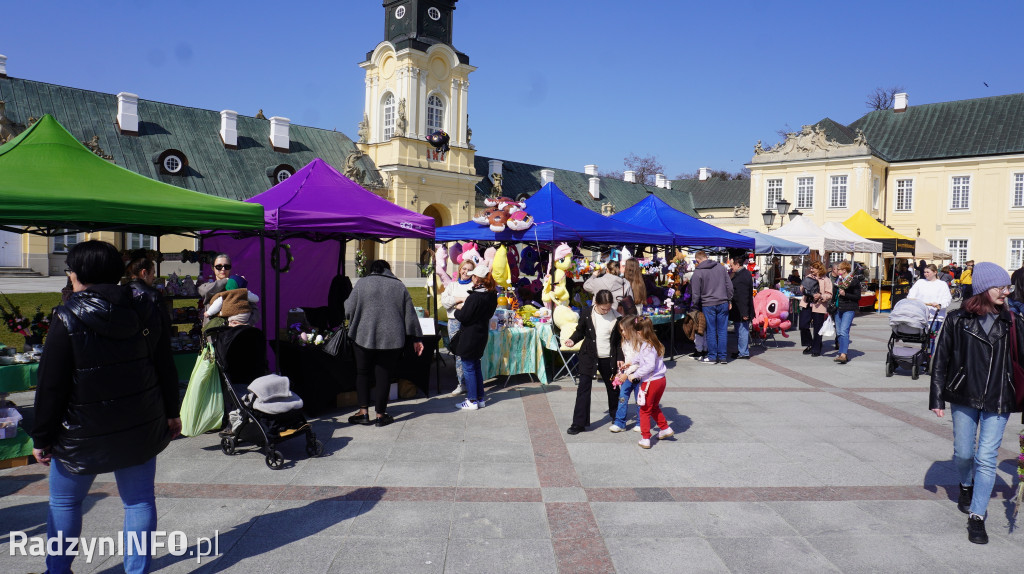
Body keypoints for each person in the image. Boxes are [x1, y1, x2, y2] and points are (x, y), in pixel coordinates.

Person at [31, 240, 180, 574]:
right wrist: (172, 411)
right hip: (139, 422)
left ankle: (58, 570)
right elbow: (164, 365)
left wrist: (41, 436)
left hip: (81, 430)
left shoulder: (66, 315)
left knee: (65, 502)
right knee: (139, 501)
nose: (68, 275)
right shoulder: (146, 305)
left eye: (70, 269)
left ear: (80, 273)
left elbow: (50, 385)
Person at [930, 262, 1024, 544]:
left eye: (1008, 287)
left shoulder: (1014, 322)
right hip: (964, 394)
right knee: (963, 453)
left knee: (985, 458)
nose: (1006, 292)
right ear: (984, 288)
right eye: (1000, 287)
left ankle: (977, 517)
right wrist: (937, 398)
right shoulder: (957, 319)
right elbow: (940, 361)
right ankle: (966, 484)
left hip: (999, 398)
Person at [345, 259, 424, 426]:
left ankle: (363, 412)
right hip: (392, 339)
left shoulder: (362, 283)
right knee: (384, 375)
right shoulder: (399, 286)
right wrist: (416, 337)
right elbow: (410, 314)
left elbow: (348, 308)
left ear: (372, 269)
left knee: (362, 373)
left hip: (362, 336)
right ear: (389, 270)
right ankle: (381, 415)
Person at [564, 289, 622, 434]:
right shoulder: (586, 313)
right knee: (583, 388)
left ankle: (617, 416)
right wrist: (572, 339)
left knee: (613, 387)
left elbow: (620, 341)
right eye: (604, 308)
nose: (606, 311)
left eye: (609, 308)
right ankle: (578, 423)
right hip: (588, 355)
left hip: (609, 357)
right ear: (596, 303)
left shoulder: (617, 317)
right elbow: (580, 331)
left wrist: (620, 358)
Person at [615, 315, 673, 449]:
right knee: (653, 407)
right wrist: (630, 363)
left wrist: (634, 375)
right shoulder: (653, 342)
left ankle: (645, 438)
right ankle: (665, 428)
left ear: (639, 332)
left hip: (651, 382)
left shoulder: (646, 345)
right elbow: (640, 357)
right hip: (660, 381)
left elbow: (649, 366)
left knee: (644, 409)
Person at [450, 264, 498, 409]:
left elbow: (464, 316)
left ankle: (472, 400)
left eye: (473, 276)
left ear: (477, 278)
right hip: (481, 334)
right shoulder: (491, 294)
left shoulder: (476, 296)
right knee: (475, 365)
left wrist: (458, 309)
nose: (471, 277)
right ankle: (479, 398)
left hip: (470, 336)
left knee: (469, 367)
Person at [690, 251, 734, 364]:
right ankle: (723, 357)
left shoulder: (698, 272)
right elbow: (729, 286)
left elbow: (695, 293)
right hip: (723, 302)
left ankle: (712, 357)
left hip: (708, 304)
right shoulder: (720, 267)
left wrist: (694, 305)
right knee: (722, 330)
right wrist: (729, 299)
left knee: (711, 331)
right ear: (707, 257)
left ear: (698, 260)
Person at [440, 259, 476, 396]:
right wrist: (460, 299)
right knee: (458, 354)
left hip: (468, 323)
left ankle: (470, 382)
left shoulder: (474, 286)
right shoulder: (452, 286)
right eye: (464, 269)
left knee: (469, 353)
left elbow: (472, 305)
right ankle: (461, 383)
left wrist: (455, 302)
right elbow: (445, 302)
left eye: (469, 270)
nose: (466, 272)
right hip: (454, 322)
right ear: (460, 269)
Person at [799, 261, 833, 357]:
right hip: (806, 303)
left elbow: (829, 294)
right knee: (803, 325)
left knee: (818, 328)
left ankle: (816, 348)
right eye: (811, 267)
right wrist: (803, 289)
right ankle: (810, 343)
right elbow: (801, 288)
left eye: (813, 268)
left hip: (819, 306)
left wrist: (821, 296)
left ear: (819, 269)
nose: (811, 269)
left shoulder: (826, 279)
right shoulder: (808, 277)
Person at [833, 260, 862, 365]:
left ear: (844, 270)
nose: (836, 271)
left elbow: (857, 297)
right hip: (838, 308)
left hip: (849, 308)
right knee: (839, 332)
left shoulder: (853, 281)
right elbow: (834, 295)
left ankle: (843, 354)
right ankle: (841, 352)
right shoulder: (838, 280)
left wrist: (845, 294)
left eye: (839, 269)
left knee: (844, 331)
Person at [729, 255, 754, 360]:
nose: (731, 267)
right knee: (739, 331)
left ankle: (743, 352)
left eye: (732, 265)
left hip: (741, 310)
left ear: (737, 264)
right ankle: (741, 350)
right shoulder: (743, 273)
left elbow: (744, 297)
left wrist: (745, 313)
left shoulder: (742, 276)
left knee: (742, 331)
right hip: (738, 310)